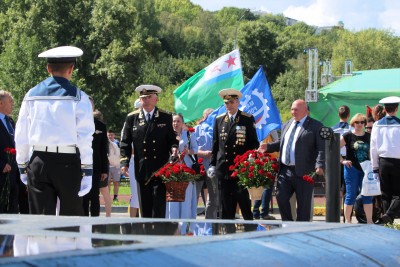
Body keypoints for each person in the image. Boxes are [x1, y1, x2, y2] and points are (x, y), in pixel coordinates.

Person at [15, 46, 94, 216]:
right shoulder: (80, 97)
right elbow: (85, 137)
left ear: (48, 68)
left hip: (38, 160)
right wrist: (87, 169)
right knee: (70, 222)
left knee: (41, 223)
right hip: (68, 161)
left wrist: (22, 164)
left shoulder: (30, 95)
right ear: (71, 69)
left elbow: (21, 134)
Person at [260, 99, 325, 221]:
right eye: (292, 109)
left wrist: (320, 165)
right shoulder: (287, 124)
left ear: (305, 110)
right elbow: (282, 142)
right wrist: (268, 147)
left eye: (296, 109)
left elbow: (321, 148)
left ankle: (301, 230)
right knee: (281, 197)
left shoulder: (316, 126)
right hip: (285, 170)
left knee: (304, 205)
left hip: (305, 171)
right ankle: (288, 224)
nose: (293, 112)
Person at [120, 85, 178, 218]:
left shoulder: (165, 117)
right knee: (145, 207)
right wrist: (124, 162)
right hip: (142, 168)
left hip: (160, 168)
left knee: (158, 207)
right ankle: (146, 234)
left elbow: (172, 139)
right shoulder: (132, 118)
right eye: (142, 98)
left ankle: (158, 234)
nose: (145, 100)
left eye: (148, 97)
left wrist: (174, 148)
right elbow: (125, 142)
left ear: (156, 99)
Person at [209, 89, 259, 221]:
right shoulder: (219, 120)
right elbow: (215, 144)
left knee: (243, 202)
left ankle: (250, 229)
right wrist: (213, 164)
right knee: (225, 205)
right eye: (226, 103)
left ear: (237, 102)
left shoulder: (246, 119)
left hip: (240, 169)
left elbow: (254, 142)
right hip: (223, 168)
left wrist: (252, 156)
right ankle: (227, 231)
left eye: (231, 102)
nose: (229, 105)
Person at [371, 96, 400, 224]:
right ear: (396, 109)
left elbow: (373, 147)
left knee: (386, 194)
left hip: (383, 162)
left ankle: (387, 222)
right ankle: (388, 215)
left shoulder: (377, 124)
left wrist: (374, 166)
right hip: (398, 162)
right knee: (398, 194)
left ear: (385, 109)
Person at [340, 113, 373, 223]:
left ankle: (369, 221)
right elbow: (334, 148)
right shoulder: (347, 135)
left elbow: (373, 151)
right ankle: (347, 221)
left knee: (367, 195)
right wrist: (342, 160)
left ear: (364, 124)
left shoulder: (369, 136)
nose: (359, 124)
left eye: (362, 122)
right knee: (351, 194)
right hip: (351, 169)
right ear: (353, 123)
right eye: (357, 122)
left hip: (366, 169)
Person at [166, 113, 198, 221]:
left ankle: (185, 227)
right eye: (174, 121)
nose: (175, 123)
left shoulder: (189, 134)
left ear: (182, 123)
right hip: (171, 171)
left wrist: (188, 151)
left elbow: (196, 149)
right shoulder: (168, 135)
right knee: (172, 200)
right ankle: (172, 226)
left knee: (186, 199)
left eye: (178, 121)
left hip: (186, 170)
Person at [82, 98, 109, 217]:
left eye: (90, 105)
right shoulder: (75, 123)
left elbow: (104, 149)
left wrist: (105, 169)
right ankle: (81, 223)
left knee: (94, 196)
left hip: (95, 166)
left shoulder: (100, 126)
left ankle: (95, 224)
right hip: (79, 165)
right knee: (81, 196)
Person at [194, 108, 219, 219]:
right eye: (208, 116)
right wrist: (203, 153)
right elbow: (191, 149)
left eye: (212, 116)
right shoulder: (195, 130)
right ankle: (189, 221)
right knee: (193, 197)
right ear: (204, 117)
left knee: (212, 198)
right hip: (198, 167)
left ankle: (210, 221)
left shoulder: (218, 129)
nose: (211, 118)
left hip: (212, 167)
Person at [252, 131, 279, 220]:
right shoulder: (272, 129)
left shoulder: (259, 128)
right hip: (270, 159)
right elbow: (277, 143)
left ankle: (256, 211)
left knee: (260, 187)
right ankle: (264, 213)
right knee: (267, 187)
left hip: (259, 159)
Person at [0, 90, 19, 213]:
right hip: (1, 173)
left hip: (13, 174)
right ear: (0, 103)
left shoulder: (10, 121)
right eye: (10, 102)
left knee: (12, 210)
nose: (13, 104)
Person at [127, 98, 142, 218]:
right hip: (134, 160)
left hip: (147, 161)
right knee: (136, 195)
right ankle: (132, 223)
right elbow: (125, 144)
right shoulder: (130, 122)